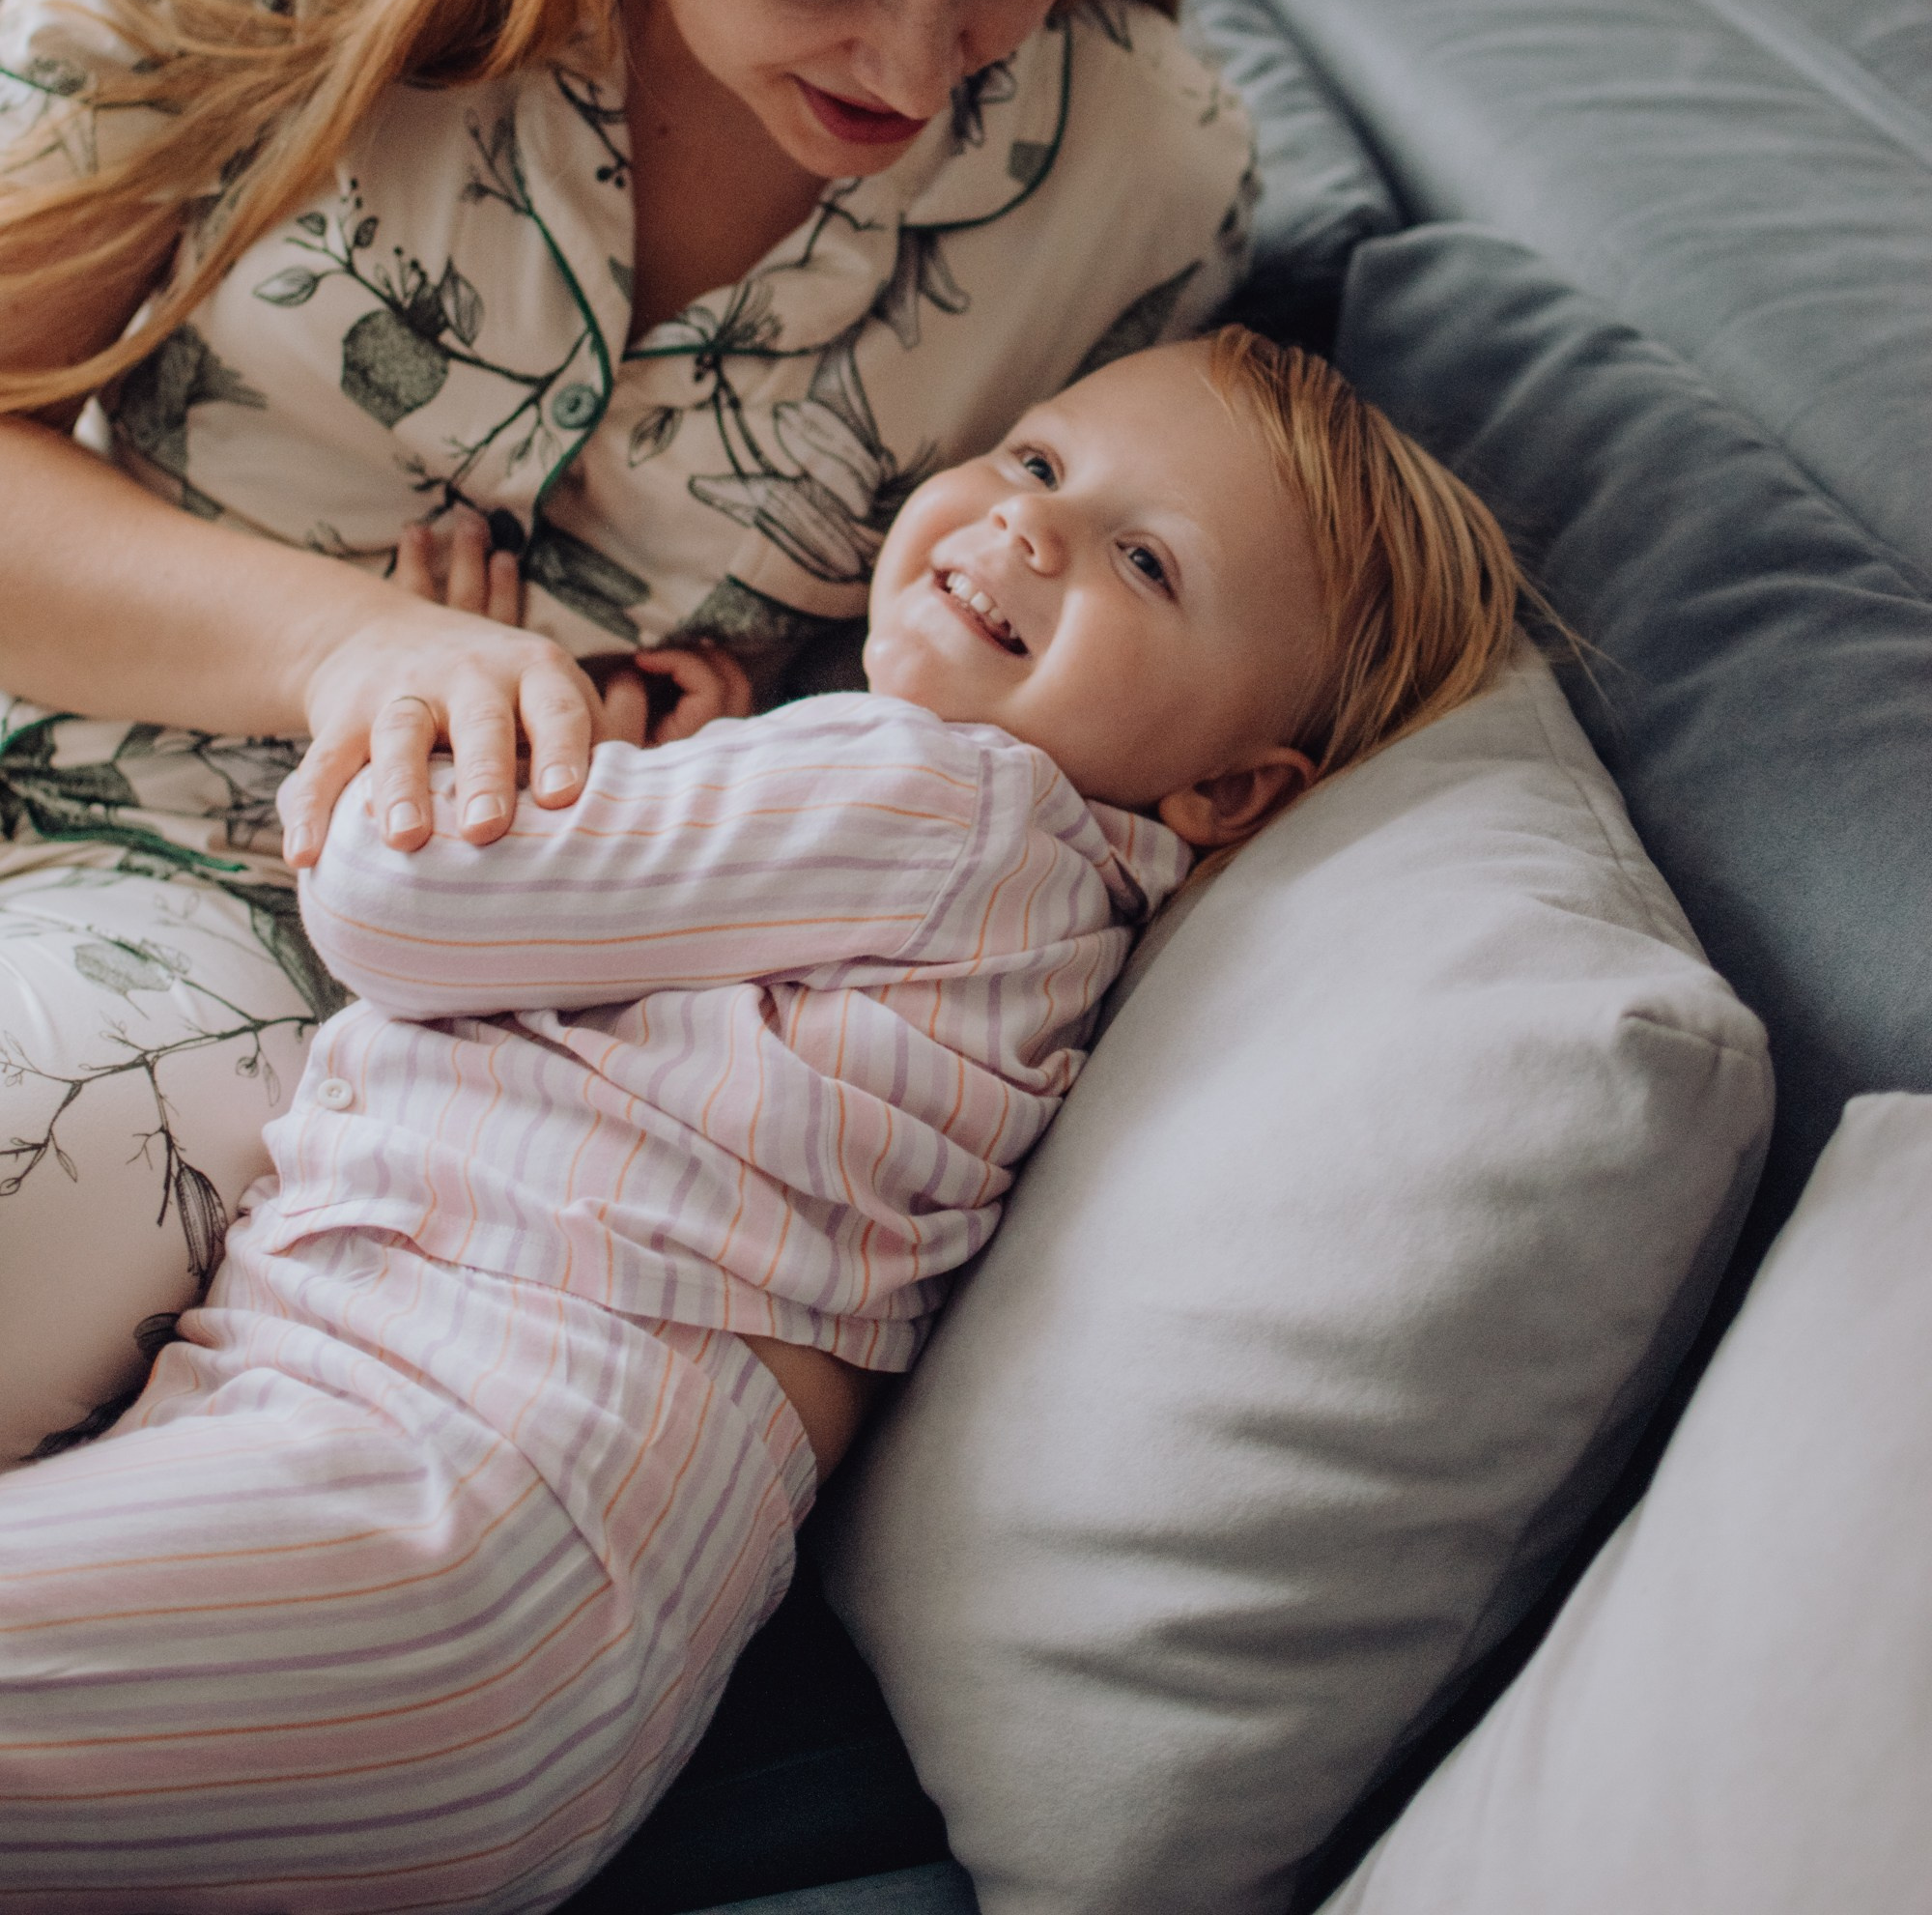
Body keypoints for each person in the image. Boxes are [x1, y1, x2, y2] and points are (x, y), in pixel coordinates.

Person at [0, 0, 1260, 1463]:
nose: (912, 76)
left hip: (325, 944)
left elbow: (1037, 751)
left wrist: (729, 712)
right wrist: (353, 641)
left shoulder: (1144, 177)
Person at [0, 330, 1521, 1915]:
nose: (1028, 533)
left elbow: (401, 908)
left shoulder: (946, 791)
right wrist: (666, 776)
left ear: (1230, 794)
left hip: (443, 1502)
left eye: (1143, 561)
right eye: (1037, 462)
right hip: (553, 1657)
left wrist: (450, 680)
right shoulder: (1046, 908)